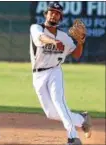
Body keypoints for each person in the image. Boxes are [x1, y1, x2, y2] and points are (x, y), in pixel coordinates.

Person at [30, 2, 92, 145]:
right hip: (38, 75)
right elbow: (41, 38)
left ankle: (73, 137)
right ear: (46, 14)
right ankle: (82, 119)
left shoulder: (64, 37)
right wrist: (53, 41)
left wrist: (80, 42)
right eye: (51, 12)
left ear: (60, 18)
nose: (54, 15)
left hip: (54, 72)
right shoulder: (36, 28)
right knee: (51, 113)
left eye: (57, 13)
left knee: (59, 102)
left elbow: (76, 55)